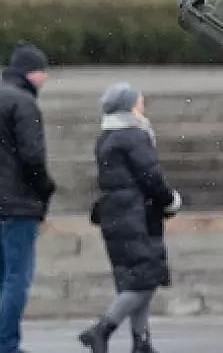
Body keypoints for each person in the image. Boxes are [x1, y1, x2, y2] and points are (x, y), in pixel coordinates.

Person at [79, 83, 180, 353]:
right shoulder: (133, 135)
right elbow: (151, 176)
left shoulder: (108, 135)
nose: (143, 104)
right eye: (139, 101)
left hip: (119, 215)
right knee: (143, 281)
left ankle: (141, 342)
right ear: (129, 105)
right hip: (137, 216)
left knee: (141, 278)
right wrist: (170, 200)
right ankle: (101, 330)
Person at [0, 40, 56, 353]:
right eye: (42, 72)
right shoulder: (23, 103)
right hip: (17, 202)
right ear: (31, 74)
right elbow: (33, 158)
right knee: (17, 276)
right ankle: (7, 345)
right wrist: (46, 189)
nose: (45, 78)